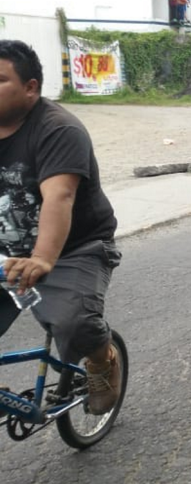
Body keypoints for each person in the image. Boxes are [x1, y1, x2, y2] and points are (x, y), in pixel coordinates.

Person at [0, 40, 123, 414]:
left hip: (75, 248)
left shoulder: (58, 129)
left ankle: (103, 360)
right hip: (8, 251)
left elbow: (60, 197)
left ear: (31, 87)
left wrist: (42, 258)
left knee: (74, 321)